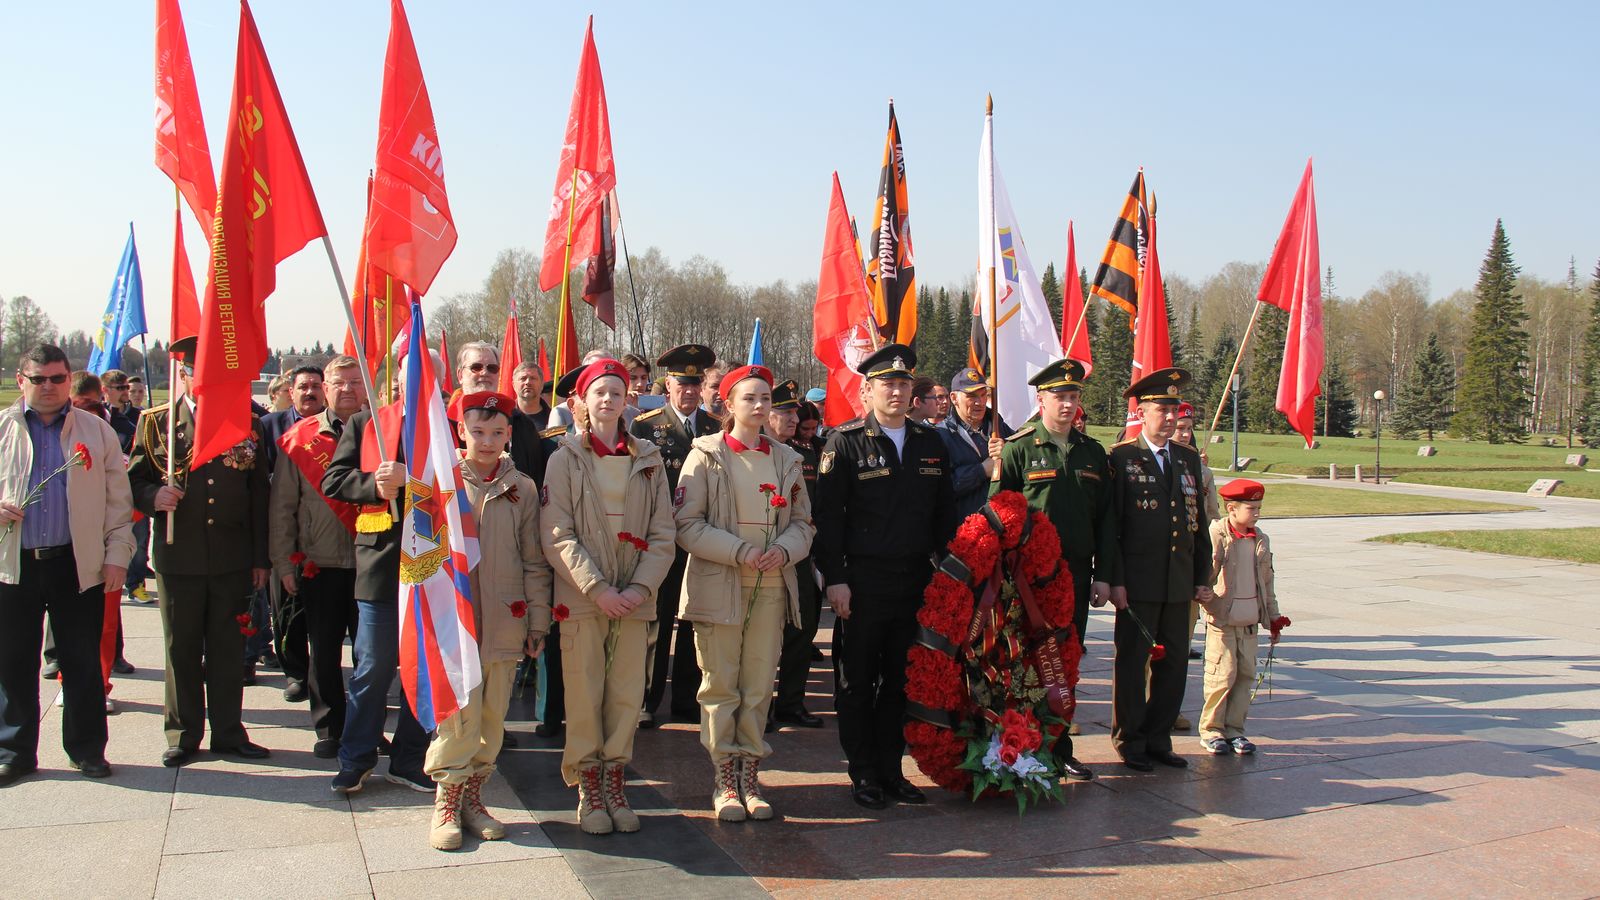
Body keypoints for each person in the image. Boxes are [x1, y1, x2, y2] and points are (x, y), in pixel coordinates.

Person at [814, 344, 957, 810]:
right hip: (861, 582)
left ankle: (892, 770)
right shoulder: (845, 441)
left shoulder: (930, 441)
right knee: (856, 682)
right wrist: (835, 578)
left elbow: (943, 514)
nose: (896, 391)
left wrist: (948, 574)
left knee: (901, 680)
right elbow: (828, 519)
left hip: (915, 580)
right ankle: (863, 773)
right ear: (868, 390)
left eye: (903, 384)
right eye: (887, 384)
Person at [541, 359, 676, 835]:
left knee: (624, 693)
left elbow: (664, 532)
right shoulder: (563, 458)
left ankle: (615, 777)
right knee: (584, 691)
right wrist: (598, 588)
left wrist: (639, 588)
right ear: (580, 402)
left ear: (628, 401)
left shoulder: (649, 458)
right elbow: (557, 533)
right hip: (583, 598)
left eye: (616, 393)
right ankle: (588, 784)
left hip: (635, 597)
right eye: (598, 392)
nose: (607, 400)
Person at [675, 366, 814, 821]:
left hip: (771, 587)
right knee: (719, 685)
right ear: (728, 405)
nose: (759, 406)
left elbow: (802, 523)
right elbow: (686, 525)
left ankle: (750, 774)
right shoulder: (705, 455)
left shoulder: (786, 459)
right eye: (749, 398)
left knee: (757, 686)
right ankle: (723, 777)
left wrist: (784, 551)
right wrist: (738, 551)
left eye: (765, 399)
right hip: (720, 586)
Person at [127, 338, 272, 767]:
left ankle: (228, 731)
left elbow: (258, 495)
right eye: (198, 373)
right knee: (181, 647)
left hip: (232, 558)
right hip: (179, 556)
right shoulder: (156, 424)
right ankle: (183, 732)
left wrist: (261, 559)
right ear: (185, 374)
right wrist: (155, 495)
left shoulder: (246, 424)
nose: (207, 382)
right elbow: (133, 481)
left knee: (228, 649)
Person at [0, 345, 134, 785]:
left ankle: (87, 749)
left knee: (81, 662)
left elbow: (119, 502)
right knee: (13, 662)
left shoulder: (95, 431)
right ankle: (15, 750)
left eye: (58, 378)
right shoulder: (3, 428)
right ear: (22, 380)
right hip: (13, 567)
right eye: (39, 379)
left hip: (77, 565)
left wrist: (117, 556)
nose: (49, 387)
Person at [424, 391, 552, 850]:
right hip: (455, 619)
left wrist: (537, 620)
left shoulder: (522, 487)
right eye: (478, 431)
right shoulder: (439, 481)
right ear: (461, 431)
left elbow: (535, 561)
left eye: (498, 433)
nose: (487, 441)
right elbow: (421, 555)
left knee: (493, 713)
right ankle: (447, 800)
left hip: (505, 616)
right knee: (460, 711)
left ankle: (474, 798)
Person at [320, 350, 438, 795]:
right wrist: (375, 485)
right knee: (372, 667)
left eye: (429, 377)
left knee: (421, 671)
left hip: (432, 566)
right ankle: (356, 756)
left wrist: (416, 483)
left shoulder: (449, 428)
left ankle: (409, 758)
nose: (421, 384)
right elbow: (335, 479)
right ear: (399, 381)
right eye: (414, 376)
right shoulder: (368, 424)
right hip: (382, 567)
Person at [991, 358, 1115, 770]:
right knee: (1026, 663)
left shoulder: (1092, 453)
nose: (1067, 404)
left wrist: (1104, 576)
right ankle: (1022, 748)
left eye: (1073, 396)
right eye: (1059, 396)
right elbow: (997, 515)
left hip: (1076, 575)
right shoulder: (1019, 448)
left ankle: (1060, 750)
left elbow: (1107, 520)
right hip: (1029, 580)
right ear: (1040, 399)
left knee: (1067, 663)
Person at [1102, 367, 1213, 773]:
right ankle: (1130, 739)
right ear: (1142, 413)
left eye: (1173, 410)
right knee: (1132, 663)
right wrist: (1115, 580)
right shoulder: (1122, 457)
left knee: (1176, 663)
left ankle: (1158, 737)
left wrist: (1202, 577)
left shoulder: (1186, 459)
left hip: (1179, 581)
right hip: (1138, 583)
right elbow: (1112, 527)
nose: (1168, 418)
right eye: (1160, 410)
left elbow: (1195, 523)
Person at [269, 356, 366, 759]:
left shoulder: (382, 432)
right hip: (319, 563)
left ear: (365, 387)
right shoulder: (300, 437)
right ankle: (329, 727)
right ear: (324, 387)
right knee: (323, 650)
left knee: (370, 655)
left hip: (371, 563)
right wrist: (283, 561)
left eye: (354, 382)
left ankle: (365, 728)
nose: (346, 389)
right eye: (338, 382)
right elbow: (282, 507)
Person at [631, 344, 720, 728]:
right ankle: (647, 699)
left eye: (695, 383)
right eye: (681, 383)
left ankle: (686, 698)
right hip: (661, 537)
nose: (688, 390)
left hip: (701, 537)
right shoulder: (646, 426)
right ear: (667, 384)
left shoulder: (716, 428)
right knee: (657, 619)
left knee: (693, 618)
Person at [254, 365, 327, 698]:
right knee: (286, 607)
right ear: (290, 392)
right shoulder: (269, 426)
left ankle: (322, 672)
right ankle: (296, 671)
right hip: (284, 529)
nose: (310, 392)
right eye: (303, 386)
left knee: (322, 612)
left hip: (325, 532)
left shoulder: (339, 427)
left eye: (316, 385)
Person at [1199, 479, 1282, 757]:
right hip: (1223, 620)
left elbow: (1267, 582)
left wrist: (1273, 618)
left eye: (1259, 507)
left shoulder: (1261, 538)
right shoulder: (1217, 534)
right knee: (1222, 675)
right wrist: (1203, 593)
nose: (1257, 513)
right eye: (1251, 508)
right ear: (1231, 509)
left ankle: (1235, 729)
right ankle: (1211, 730)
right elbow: (1203, 573)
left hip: (1249, 620)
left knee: (1245, 675)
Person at [768, 382, 825, 730]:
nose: (794, 418)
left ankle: (791, 702)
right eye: (785, 412)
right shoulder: (761, 452)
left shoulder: (810, 450)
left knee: (802, 629)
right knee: (762, 636)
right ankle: (757, 707)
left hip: (802, 553)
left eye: (795, 412)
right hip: (762, 553)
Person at [1173, 401, 1220, 670]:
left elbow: (1211, 514)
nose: (1184, 434)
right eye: (1180, 427)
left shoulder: (1202, 471)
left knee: (1189, 614)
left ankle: (1186, 640)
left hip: (1193, 552)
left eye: (1189, 429)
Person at [938, 368, 1011, 520]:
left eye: (983, 395)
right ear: (954, 397)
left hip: (1004, 526)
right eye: (971, 396)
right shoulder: (940, 435)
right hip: (964, 531)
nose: (980, 402)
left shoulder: (1000, 427)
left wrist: (1008, 453)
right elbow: (941, 488)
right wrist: (982, 471)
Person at [511, 361, 553, 433]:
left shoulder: (553, 418)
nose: (528, 382)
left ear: (542, 384)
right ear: (514, 385)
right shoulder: (505, 418)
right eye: (523, 378)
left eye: (533, 378)